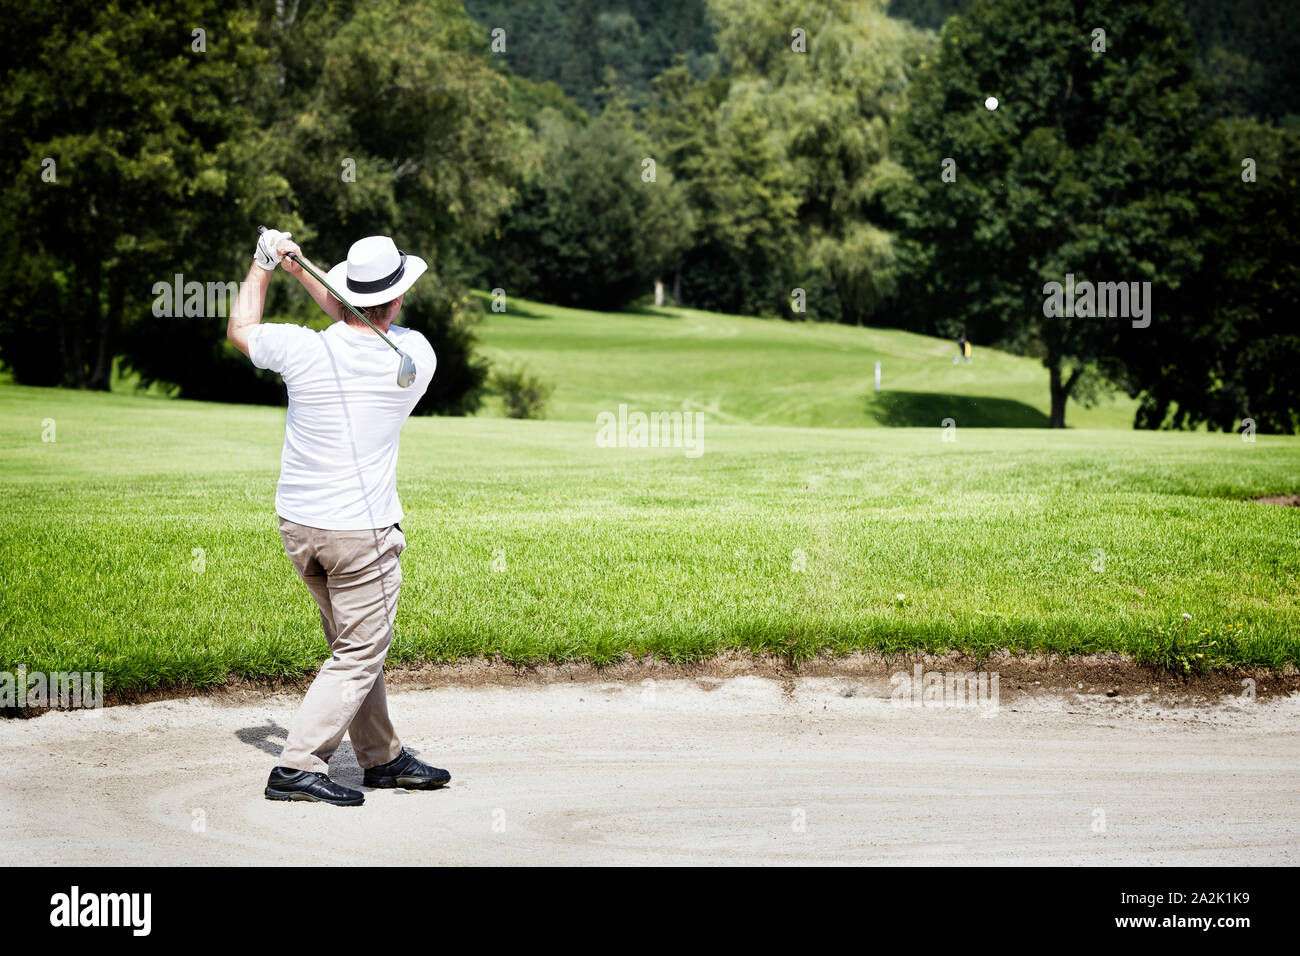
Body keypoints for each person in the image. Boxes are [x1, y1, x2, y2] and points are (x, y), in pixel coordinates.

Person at [227, 226, 448, 806]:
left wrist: (268, 264)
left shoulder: (304, 348)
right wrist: (301, 268)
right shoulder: (414, 357)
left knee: (356, 645)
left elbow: (240, 330)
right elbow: (357, 314)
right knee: (358, 652)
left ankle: (382, 758)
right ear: (398, 299)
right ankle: (298, 765)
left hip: (299, 529)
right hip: (362, 536)